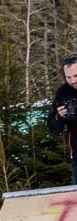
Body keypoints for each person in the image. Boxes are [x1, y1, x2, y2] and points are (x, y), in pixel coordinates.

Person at [48, 53, 77, 185]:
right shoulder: (63, 92)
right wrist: (59, 116)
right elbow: (53, 129)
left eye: (76, 76)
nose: (72, 81)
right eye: (68, 77)